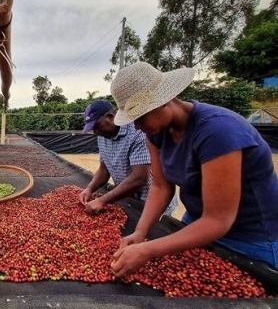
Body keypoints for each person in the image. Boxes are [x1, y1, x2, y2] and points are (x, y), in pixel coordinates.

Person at [109, 61, 278, 276]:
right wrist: (140, 233)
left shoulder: (218, 131)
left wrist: (148, 250)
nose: (137, 126)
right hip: (197, 224)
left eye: (140, 117)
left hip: (250, 238)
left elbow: (218, 219)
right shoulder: (156, 133)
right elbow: (161, 187)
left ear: (163, 102)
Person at [78, 100, 177, 216]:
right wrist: (89, 189)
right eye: (93, 129)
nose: (96, 132)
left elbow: (139, 178)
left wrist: (102, 200)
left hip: (151, 202)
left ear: (110, 117)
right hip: (127, 198)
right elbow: (104, 169)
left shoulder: (138, 132)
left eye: (97, 126)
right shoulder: (103, 137)